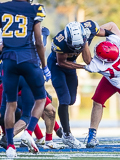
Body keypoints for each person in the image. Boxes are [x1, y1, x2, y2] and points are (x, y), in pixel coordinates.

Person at [0, 0, 51, 158]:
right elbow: (38, 42)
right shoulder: (34, 9)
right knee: (41, 99)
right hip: (28, 59)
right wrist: (44, 66)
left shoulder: (2, 7)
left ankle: (9, 146)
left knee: (11, 104)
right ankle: (28, 132)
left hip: (8, 61)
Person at [47, 20, 109, 148]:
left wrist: (118, 40)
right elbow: (62, 62)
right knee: (64, 99)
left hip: (71, 64)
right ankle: (67, 135)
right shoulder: (60, 40)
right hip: (57, 66)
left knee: (72, 100)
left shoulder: (90, 28)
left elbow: (107, 32)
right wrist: (83, 67)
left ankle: (62, 128)